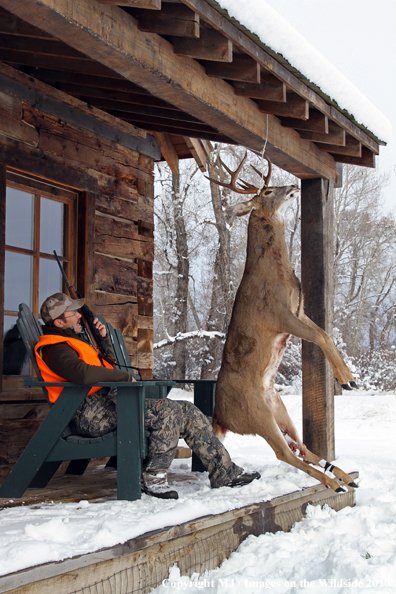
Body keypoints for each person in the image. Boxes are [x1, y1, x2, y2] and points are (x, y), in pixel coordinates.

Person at [35, 293, 261, 499]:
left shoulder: (76, 341)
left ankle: (224, 472)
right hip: (90, 413)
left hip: (110, 403)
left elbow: (108, 364)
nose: (78, 317)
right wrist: (123, 378)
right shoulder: (55, 349)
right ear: (58, 323)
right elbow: (81, 374)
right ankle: (153, 478)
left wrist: (103, 338)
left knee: (188, 411)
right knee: (167, 411)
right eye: (73, 314)